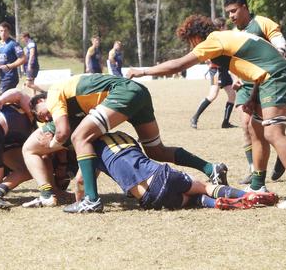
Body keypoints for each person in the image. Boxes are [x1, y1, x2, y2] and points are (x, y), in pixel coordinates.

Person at [127, 18, 286, 209]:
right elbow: (261, 61)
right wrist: (252, 97)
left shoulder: (212, 40)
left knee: (273, 133)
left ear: (196, 36)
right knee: (254, 129)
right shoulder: (226, 36)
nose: (191, 46)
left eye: (190, 41)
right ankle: (258, 186)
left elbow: (179, 65)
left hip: (275, 77)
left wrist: (142, 71)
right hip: (267, 77)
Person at [28, 74, 229, 213]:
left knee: (79, 137)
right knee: (156, 150)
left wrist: (53, 145)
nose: (46, 118)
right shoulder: (73, 102)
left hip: (122, 92)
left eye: (42, 114)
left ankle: (91, 200)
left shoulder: (54, 93)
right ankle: (211, 168)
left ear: (40, 101)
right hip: (138, 92)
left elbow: (63, 132)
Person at [72, 130, 278, 211]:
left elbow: (81, 181)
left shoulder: (90, 151)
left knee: (194, 200)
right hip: (162, 176)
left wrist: (78, 201)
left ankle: (217, 204)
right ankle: (248, 195)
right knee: (204, 186)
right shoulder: (123, 136)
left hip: (149, 199)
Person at [223, 0, 286, 184]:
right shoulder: (234, 33)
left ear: (245, 7)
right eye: (228, 13)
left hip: (266, 81)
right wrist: (235, 78)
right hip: (245, 85)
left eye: (234, 11)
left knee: (268, 129)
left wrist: (271, 64)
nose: (231, 16)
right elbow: (234, 60)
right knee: (245, 126)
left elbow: (281, 46)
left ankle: (282, 153)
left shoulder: (262, 23)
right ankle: (253, 170)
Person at [189, 17, 237, 130]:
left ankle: (226, 122)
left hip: (223, 70)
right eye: (225, 26)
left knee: (232, 95)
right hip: (216, 71)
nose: (226, 28)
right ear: (220, 27)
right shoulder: (213, 39)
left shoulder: (222, 38)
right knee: (212, 95)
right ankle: (194, 117)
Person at [0, 21, 25, 95]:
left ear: (8, 32)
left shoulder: (13, 44)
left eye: (5, 31)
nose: (3, 33)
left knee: (3, 96)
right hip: (2, 77)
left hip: (10, 77)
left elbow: (23, 58)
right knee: (6, 99)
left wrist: (9, 66)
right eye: (1, 31)